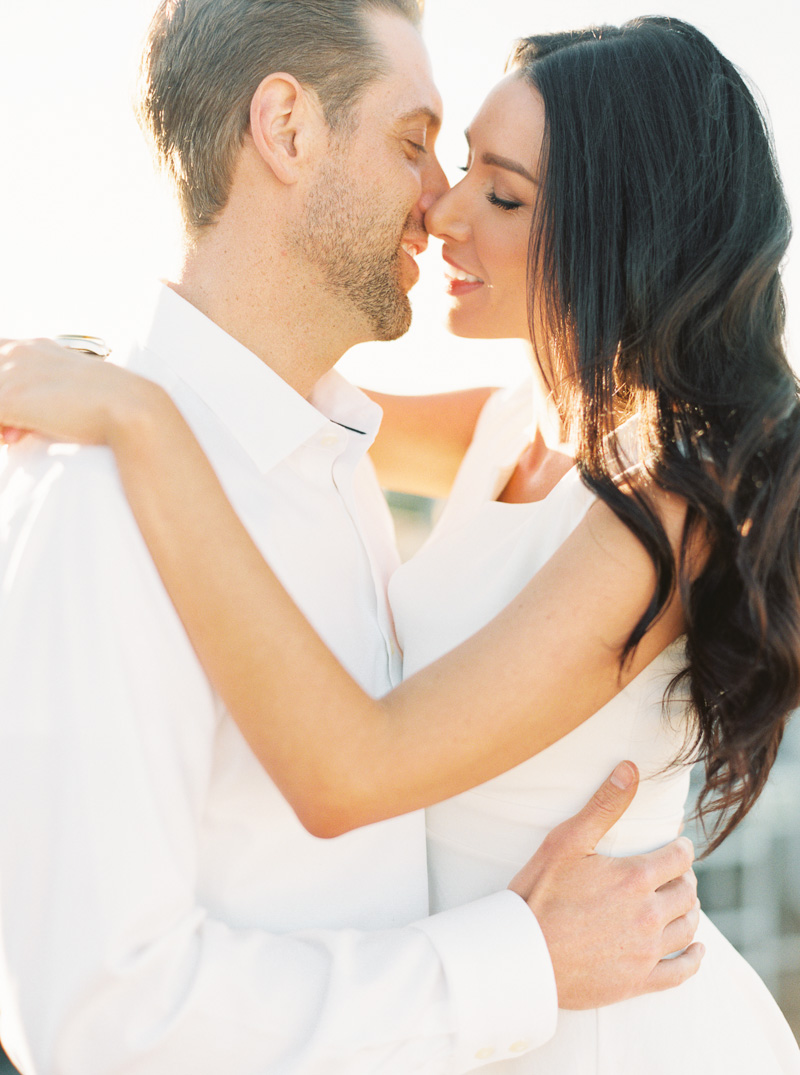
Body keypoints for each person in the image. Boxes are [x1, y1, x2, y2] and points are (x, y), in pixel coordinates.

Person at [0, 3, 705, 1074]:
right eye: (415, 144)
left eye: (492, 185)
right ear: (285, 129)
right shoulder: (102, 489)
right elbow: (106, 1022)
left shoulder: (329, 453)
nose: (441, 206)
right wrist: (512, 963)